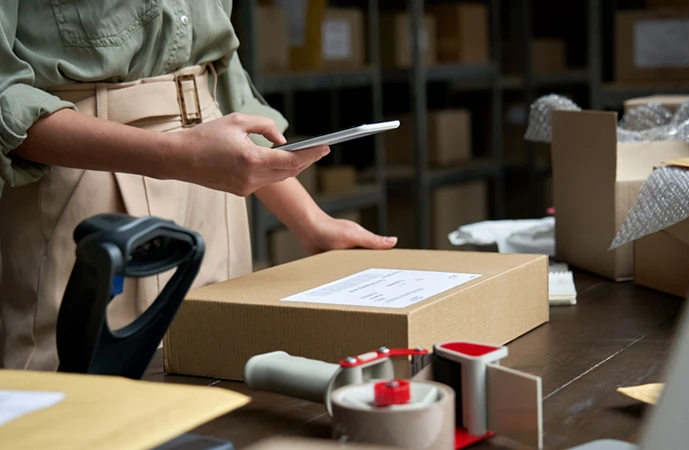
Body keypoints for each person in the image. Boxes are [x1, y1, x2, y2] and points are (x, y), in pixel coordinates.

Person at [0, 1, 398, 371]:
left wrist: (312, 223)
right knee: (87, 397)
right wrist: (178, 154)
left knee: (220, 371)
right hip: (93, 177)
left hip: (213, 190)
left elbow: (223, 78)